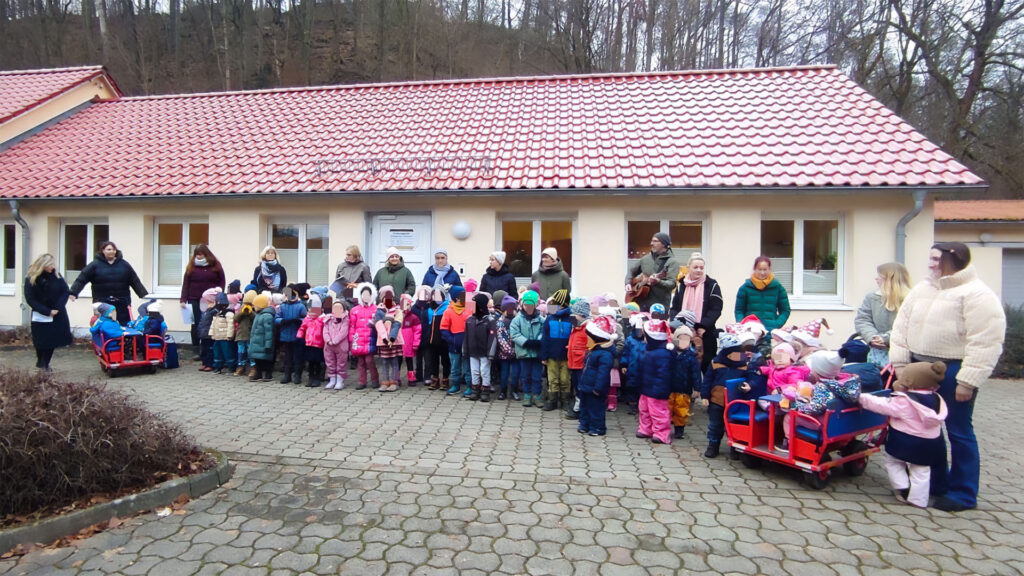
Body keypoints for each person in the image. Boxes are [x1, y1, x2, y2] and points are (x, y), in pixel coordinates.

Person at [889, 242, 1006, 512]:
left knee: (959, 431)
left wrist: (969, 380)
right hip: (917, 366)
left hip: (954, 369)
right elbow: (901, 329)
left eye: (935, 259)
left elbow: (986, 340)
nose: (930, 263)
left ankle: (963, 493)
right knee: (927, 430)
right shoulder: (922, 289)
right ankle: (936, 484)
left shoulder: (977, 294)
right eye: (929, 257)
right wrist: (901, 366)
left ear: (954, 260)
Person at [858, 361, 949, 508]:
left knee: (893, 462)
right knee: (921, 469)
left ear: (910, 381)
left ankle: (903, 488)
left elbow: (884, 406)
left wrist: (862, 398)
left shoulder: (905, 401)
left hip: (904, 440)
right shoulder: (937, 399)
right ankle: (918, 500)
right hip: (931, 443)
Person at [69, 241, 149, 325]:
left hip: (122, 302)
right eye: (109, 249)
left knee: (123, 326)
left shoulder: (124, 264)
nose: (111, 251)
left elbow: (134, 280)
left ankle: (122, 339)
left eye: (113, 249)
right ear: (103, 251)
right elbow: (81, 279)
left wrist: (142, 293)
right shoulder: (94, 265)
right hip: (102, 302)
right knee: (104, 326)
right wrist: (73, 292)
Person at [669, 252, 724, 372]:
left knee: (706, 365)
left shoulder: (712, 285)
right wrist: (676, 324)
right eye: (695, 267)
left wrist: (703, 326)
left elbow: (716, 309)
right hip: (684, 332)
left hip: (705, 332)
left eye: (701, 268)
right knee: (683, 367)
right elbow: (674, 308)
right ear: (688, 268)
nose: (699, 270)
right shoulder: (681, 285)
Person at [856, 262, 912, 368]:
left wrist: (885, 338)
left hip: (903, 355)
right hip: (876, 353)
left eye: (880, 276)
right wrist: (872, 337)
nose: (876, 279)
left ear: (890, 279)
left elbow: (909, 325)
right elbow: (862, 320)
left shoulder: (911, 298)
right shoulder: (872, 297)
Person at [23, 254, 72, 371]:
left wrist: (57, 309)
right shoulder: (31, 278)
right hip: (40, 314)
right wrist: (46, 311)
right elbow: (30, 298)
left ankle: (45, 364)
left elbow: (65, 292)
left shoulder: (57, 276)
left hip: (57, 314)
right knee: (40, 341)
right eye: (50, 264)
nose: (52, 267)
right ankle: (41, 361)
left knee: (52, 340)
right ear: (43, 265)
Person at [179, 244, 225, 351]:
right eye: (197, 255)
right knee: (195, 323)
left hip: (209, 300)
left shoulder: (215, 265)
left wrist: (218, 294)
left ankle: (208, 348)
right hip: (193, 298)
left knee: (208, 322)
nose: (199, 257)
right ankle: (196, 348)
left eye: (201, 254)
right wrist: (183, 300)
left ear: (207, 254)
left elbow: (222, 281)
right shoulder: (191, 267)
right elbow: (186, 284)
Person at [577, 315, 617, 436]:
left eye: (589, 336)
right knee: (584, 406)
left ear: (597, 337)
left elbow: (603, 374)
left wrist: (598, 388)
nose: (586, 338)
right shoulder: (593, 351)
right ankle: (584, 424)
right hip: (586, 385)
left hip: (595, 388)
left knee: (596, 408)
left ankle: (597, 427)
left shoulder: (605, 355)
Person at [636, 319, 674, 444]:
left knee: (658, 412)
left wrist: (661, 389)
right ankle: (646, 429)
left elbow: (665, 374)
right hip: (646, 386)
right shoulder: (649, 350)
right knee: (644, 409)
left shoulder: (664, 353)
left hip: (657, 389)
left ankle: (661, 433)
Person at [624, 233, 679, 312]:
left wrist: (658, 282)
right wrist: (628, 283)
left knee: (658, 324)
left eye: (655, 241)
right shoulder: (645, 259)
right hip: (639, 302)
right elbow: (631, 271)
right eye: (652, 241)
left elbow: (672, 284)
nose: (651, 243)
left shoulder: (672, 262)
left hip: (659, 306)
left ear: (664, 244)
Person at [734, 255, 790, 331]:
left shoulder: (778, 288)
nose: (762, 272)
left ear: (769, 269)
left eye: (765, 269)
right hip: (750, 331)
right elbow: (739, 310)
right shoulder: (745, 288)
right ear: (754, 269)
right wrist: (743, 325)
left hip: (771, 331)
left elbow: (785, 310)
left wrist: (777, 324)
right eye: (759, 269)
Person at [510, 290, 545, 408]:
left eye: (531, 305)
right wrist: (525, 342)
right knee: (525, 375)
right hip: (524, 352)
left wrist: (538, 341)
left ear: (535, 305)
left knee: (537, 376)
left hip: (537, 353)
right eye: (526, 305)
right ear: (522, 305)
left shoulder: (541, 319)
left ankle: (537, 395)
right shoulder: (517, 319)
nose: (528, 307)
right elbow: (514, 334)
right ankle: (527, 395)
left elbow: (544, 331)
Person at [540, 289, 573, 412]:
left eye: (555, 303)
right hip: (551, 355)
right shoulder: (550, 318)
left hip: (566, 356)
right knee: (552, 378)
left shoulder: (571, 319)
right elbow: (545, 338)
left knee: (565, 379)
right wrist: (544, 356)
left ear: (563, 304)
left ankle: (565, 400)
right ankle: (552, 400)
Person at [463, 293, 498, 402]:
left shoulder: (490, 321)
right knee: (474, 371)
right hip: (473, 351)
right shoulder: (470, 320)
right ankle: (475, 389)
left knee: (484, 371)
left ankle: (485, 390)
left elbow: (493, 338)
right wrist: (465, 349)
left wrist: (491, 353)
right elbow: (466, 336)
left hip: (484, 352)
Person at [350, 283, 381, 391]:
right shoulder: (354, 310)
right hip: (358, 340)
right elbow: (352, 326)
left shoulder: (376, 309)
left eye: (368, 295)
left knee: (369, 361)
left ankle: (375, 379)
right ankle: (361, 381)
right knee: (361, 362)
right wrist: (352, 339)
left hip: (370, 340)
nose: (366, 297)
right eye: (364, 295)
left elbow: (379, 325)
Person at [441, 286, 471, 396]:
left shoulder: (470, 308)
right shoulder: (448, 311)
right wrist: (451, 339)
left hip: (467, 344)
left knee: (467, 368)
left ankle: (469, 386)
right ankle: (455, 385)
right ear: (456, 297)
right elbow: (443, 328)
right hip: (453, 345)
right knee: (454, 367)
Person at [374, 287, 405, 392]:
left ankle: (394, 382)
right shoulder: (378, 311)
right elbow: (379, 325)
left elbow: (397, 324)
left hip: (394, 341)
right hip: (383, 341)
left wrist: (391, 338)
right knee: (384, 362)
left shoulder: (397, 311)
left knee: (394, 362)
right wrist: (385, 339)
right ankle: (385, 382)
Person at [276, 287, 308, 384]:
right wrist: (283, 321)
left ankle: (297, 375)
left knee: (298, 357)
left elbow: (306, 318)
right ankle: (287, 375)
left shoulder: (300, 306)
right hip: (286, 335)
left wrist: (299, 321)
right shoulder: (282, 306)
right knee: (287, 357)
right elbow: (276, 318)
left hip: (298, 335)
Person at [297, 295, 327, 388]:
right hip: (309, 343)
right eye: (310, 309)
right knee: (310, 362)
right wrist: (299, 335)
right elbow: (302, 327)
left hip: (318, 345)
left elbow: (325, 330)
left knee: (317, 362)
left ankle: (317, 378)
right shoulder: (307, 319)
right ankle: (311, 377)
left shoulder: (322, 319)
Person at [247, 293, 277, 382]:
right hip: (257, 341)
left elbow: (269, 332)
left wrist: (268, 344)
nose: (254, 307)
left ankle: (268, 374)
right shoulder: (258, 314)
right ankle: (258, 373)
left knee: (266, 360)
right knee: (257, 359)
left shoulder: (267, 316)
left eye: (255, 305)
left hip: (263, 342)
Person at [323, 300, 351, 390]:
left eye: (339, 308)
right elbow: (325, 331)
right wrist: (328, 340)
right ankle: (332, 379)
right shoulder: (328, 319)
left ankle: (340, 380)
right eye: (335, 308)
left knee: (341, 363)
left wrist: (335, 341)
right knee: (330, 362)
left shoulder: (345, 320)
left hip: (341, 345)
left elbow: (343, 332)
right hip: (328, 346)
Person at [209, 293, 236, 375]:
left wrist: (229, 335)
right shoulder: (217, 313)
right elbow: (213, 325)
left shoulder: (229, 313)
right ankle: (218, 367)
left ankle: (231, 368)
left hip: (225, 338)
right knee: (217, 353)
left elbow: (231, 326)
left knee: (228, 353)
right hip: (217, 337)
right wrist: (212, 334)